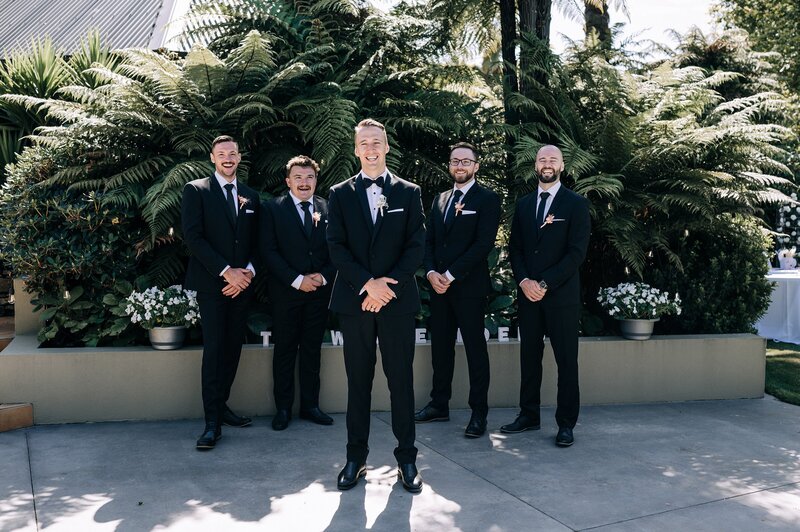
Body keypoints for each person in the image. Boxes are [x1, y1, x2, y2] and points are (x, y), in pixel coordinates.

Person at [326, 118, 425, 493]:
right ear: (356, 150)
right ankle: (356, 458)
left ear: (386, 147)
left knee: (401, 382)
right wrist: (367, 285)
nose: (370, 148)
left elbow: (416, 244)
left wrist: (386, 288)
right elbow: (336, 245)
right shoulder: (339, 193)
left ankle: (408, 460)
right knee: (359, 382)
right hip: (356, 302)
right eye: (364, 143)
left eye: (376, 142)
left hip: (397, 302)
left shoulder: (408, 192)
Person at [501, 144, 591, 447]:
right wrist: (525, 280)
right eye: (542, 159)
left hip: (561, 296)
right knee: (530, 357)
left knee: (567, 361)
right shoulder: (524, 204)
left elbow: (576, 253)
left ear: (562, 166)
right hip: (528, 295)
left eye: (553, 159)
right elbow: (515, 248)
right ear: (535, 165)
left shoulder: (576, 204)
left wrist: (545, 283)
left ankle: (566, 423)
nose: (547, 163)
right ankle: (528, 415)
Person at [414, 142, 501, 438]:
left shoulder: (488, 199)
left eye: (466, 161)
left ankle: (479, 413)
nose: (460, 166)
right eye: (455, 161)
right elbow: (429, 242)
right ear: (449, 165)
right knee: (441, 348)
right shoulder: (440, 199)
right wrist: (430, 273)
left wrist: (450, 274)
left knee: (476, 350)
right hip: (439, 288)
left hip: (469, 288)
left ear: (476, 165)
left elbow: (483, 244)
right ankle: (439, 404)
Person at [182, 135, 261, 450]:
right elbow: (193, 237)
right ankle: (211, 422)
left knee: (233, 348)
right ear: (213, 158)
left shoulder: (251, 196)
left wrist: (247, 274)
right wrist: (226, 271)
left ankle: (223, 405)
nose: (228, 158)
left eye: (233, 153)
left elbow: (258, 243)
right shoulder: (196, 190)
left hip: (241, 285)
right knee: (214, 350)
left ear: (239, 158)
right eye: (222, 154)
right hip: (213, 285)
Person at [260, 155, 335, 431]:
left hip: (318, 292)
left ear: (316, 180)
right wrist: (296, 279)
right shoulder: (272, 209)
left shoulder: (328, 208)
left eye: (309, 177)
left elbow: (337, 249)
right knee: (285, 351)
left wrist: (324, 276)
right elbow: (268, 250)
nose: (304, 183)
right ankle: (282, 408)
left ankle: (310, 406)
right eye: (299, 178)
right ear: (288, 181)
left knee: (312, 351)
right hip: (285, 293)